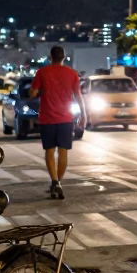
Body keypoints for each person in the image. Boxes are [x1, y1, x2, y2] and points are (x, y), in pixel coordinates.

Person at [30, 46, 85, 200]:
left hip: (47, 118)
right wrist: (83, 115)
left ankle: (54, 181)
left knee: (49, 151)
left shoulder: (42, 72)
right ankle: (58, 183)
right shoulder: (72, 73)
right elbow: (78, 96)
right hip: (66, 118)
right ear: (64, 57)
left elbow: (33, 93)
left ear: (50, 57)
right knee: (63, 152)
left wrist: (38, 91)